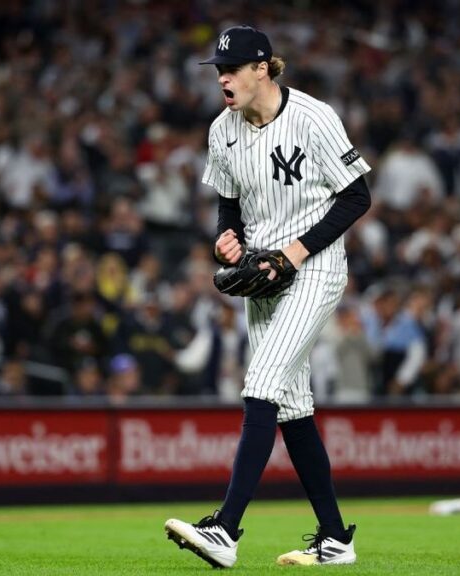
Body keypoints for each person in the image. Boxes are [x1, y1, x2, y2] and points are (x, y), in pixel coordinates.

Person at [165, 26, 370, 568]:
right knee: (292, 406)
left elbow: (357, 196)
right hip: (263, 274)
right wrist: (226, 241)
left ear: (263, 69)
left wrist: (298, 252)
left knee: (260, 385)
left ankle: (226, 530)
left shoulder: (314, 116)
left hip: (316, 267)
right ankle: (335, 538)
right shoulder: (221, 131)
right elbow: (229, 207)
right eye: (217, 70)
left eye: (230, 69)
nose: (222, 78)